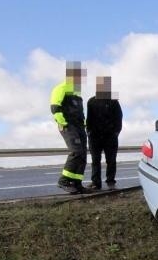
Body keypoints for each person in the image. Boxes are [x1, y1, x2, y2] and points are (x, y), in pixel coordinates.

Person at [51, 61, 91, 194]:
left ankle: (77, 183)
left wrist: (84, 125)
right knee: (76, 151)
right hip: (69, 126)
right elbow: (55, 108)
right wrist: (65, 123)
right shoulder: (61, 87)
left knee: (83, 155)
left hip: (79, 127)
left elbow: (80, 112)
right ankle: (63, 181)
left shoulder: (77, 92)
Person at [86, 76, 123, 189]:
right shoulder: (91, 101)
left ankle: (111, 182)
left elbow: (119, 117)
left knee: (111, 160)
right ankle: (96, 183)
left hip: (110, 136)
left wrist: (116, 132)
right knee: (95, 160)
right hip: (94, 137)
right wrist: (89, 131)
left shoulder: (114, 101)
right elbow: (89, 118)